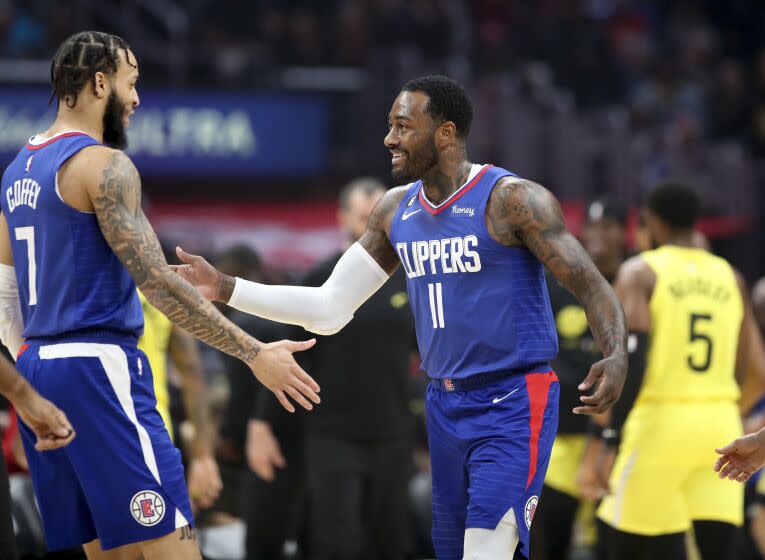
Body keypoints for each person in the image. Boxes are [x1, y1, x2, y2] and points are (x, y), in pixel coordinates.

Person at [173, 74, 628, 559]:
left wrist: (616, 351)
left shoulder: (511, 200)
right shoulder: (395, 211)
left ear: (445, 133)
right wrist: (225, 288)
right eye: (390, 126)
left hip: (513, 400)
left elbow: (591, 284)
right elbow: (329, 309)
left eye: (403, 126)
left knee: (487, 550)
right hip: (444, 405)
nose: (389, 138)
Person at [0, 31, 319, 560]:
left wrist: (32, 359)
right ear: (100, 82)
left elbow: (5, 289)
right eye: (132, 83)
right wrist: (255, 352)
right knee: (174, 546)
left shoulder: (15, 173)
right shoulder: (104, 166)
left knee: (110, 551)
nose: (138, 98)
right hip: (101, 370)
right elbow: (160, 286)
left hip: (40, 370)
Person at [251, 177, 417, 559]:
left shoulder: (409, 282)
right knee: (336, 544)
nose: (376, 226)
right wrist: (261, 426)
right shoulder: (321, 278)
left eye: (383, 217)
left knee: (390, 542)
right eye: (365, 216)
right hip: (332, 435)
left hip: (393, 433)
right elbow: (281, 353)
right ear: (343, 217)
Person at [596, 183, 749, 560]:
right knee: (717, 548)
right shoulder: (731, 276)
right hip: (721, 421)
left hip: (661, 421)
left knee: (622, 542)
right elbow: (743, 364)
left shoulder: (641, 271)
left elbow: (633, 358)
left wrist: (611, 438)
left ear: (655, 222)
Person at [531, 198, 628, 560]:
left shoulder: (633, 280)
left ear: (625, 232)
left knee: (611, 545)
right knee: (550, 540)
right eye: (593, 226)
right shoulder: (558, 285)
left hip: (615, 442)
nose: (600, 235)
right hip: (561, 437)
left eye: (609, 226)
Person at [138, 290, 223, 512]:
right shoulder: (157, 292)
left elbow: (192, 374)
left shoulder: (83, 286)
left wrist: (203, 456)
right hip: (154, 432)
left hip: (120, 432)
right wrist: (203, 456)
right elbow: (193, 374)